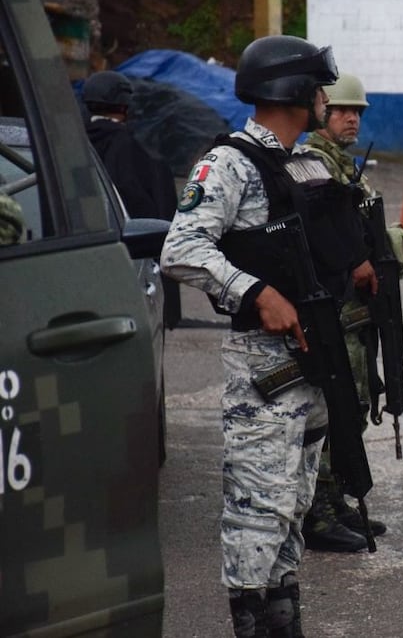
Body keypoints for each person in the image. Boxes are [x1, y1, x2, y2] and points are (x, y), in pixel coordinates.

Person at [160, 34, 373, 638]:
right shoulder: (228, 163)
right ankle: (251, 624)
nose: (323, 96)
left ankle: (283, 622)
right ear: (291, 90)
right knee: (259, 509)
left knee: (295, 508)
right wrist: (255, 291)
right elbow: (181, 248)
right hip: (263, 369)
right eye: (315, 86)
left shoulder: (300, 161)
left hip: (313, 364)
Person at [301, 72, 403, 552]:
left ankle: (338, 498)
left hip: (357, 314)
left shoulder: (345, 167)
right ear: (320, 112)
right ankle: (318, 511)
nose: (352, 118)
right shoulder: (312, 165)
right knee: (334, 408)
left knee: (356, 404)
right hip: (337, 311)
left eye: (358, 112)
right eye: (343, 110)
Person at [83, 69, 183, 327]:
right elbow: (155, 212)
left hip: (77, 257)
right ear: (125, 105)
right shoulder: (136, 149)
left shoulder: (71, 145)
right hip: (131, 269)